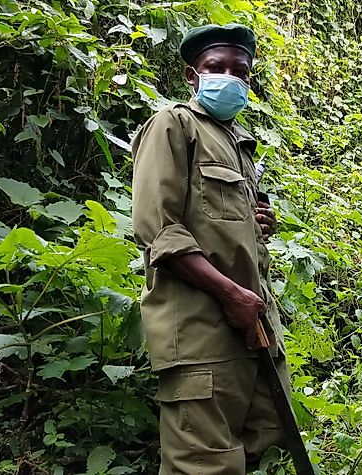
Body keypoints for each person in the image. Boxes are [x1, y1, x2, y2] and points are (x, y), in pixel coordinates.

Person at [131, 23, 290, 475]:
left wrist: (258, 222)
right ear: (191, 74)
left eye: (238, 70)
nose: (227, 76)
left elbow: (217, 222)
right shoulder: (174, 125)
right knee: (204, 466)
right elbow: (159, 231)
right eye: (214, 67)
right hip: (203, 335)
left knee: (261, 443)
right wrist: (231, 296)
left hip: (252, 330)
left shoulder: (237, 142)